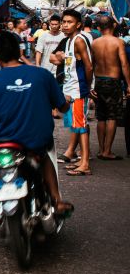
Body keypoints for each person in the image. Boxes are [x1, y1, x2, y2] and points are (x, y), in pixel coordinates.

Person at [0, 31, 73, 221]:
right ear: (19, 51)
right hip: (37, 139)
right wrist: (67, 101)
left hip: (5, 141)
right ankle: (57, 200)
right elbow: (63, 106)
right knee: (45, 158)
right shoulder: (42, 75)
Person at [51, 9, 94, 176]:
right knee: (77, 125)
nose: (65, 25)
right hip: (71, 88)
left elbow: (89, 66)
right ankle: (81, 161)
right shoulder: (69, 41)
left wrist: (87, 87)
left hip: (79, 90)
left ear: (78, 24)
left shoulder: (79, 40)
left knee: (81, 126)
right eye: (64, 22)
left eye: (69, 22)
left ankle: (85, 163)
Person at [91, 16, 130, 161]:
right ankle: (107, 151)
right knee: (112, 116)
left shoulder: (95, 43)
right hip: (113, 82)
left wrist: (90, 85)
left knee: (101, 116)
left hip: (99, 81)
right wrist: (129, 84)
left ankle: (101, 150)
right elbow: (124, 64)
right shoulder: (118, 42)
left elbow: (91, 65)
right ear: (113, 25)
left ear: (99, 28)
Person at [35, 15, 66, 120]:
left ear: (59, 25)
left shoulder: (63, 36)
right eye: (52, 24)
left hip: (59, 69)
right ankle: (48, 108)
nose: (53, 26)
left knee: (57, 88)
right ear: (49, 24)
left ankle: (54, 109)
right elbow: (39, 51)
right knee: (46, 89)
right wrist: (37, 65)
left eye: (56, 24)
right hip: (45, 67)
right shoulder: (43, 36)